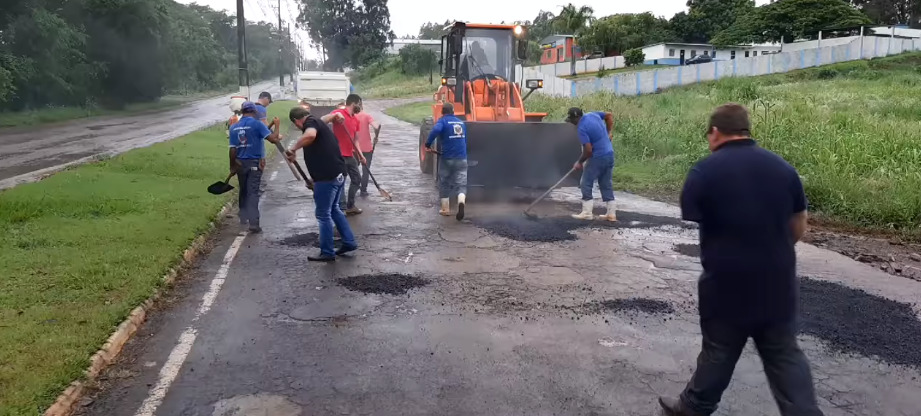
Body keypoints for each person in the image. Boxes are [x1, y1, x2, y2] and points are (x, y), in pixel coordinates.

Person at [658, 104, 822, 416]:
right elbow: (799, 223)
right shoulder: (783, 169)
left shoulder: (704, 172)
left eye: (709, 135)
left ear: (716, 133)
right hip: (777, 283)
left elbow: (693, 214)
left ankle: (692, 408)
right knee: (784, 355)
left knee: (718, 352)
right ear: (746, 131)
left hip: (726, 284)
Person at [285, 106, 358, 262]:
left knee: (323, 214)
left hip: (328, 177)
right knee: (334, 209)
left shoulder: (310, 125)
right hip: (337, 173)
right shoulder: (318, 121)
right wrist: (315, 178)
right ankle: (349, 242)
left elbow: (310, 135)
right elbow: (326, 119)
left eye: (297, 126)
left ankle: (327, 251)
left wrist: (293, 148)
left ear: (297, 121)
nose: (299, 129)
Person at [229, 101, 281, 233]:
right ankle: (253, 223)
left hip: (240, 163)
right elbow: (274, 139)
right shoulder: (257, 124)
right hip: (254, 163)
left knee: (244, 189)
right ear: (254, 111)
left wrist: (232, 166)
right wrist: (278, 126)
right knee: (252, 191)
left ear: (242, 111)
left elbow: (232, 150)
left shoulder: (234, 127)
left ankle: (243, 215)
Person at [566, 107, 616, 221]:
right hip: (609, 154)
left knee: (585, 183)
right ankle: (611, 214)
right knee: (605, 183)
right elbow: (609, 115)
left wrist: (579, 162)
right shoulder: (592, 115)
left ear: (576, 118)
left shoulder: (582, 128)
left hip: (598, 157)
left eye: (572, 120)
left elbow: (588, 151)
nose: (572, 123)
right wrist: (608, 132)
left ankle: (587, 213)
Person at [424, 102, 467, 220]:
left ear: (442, 112)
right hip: (462, 158)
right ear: (453, 111)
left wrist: (428, 144)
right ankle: (461, 202)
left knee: (444, 182)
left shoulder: (442, 121)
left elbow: (435, 131)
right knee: (461, 184)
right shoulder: (461, 123)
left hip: (447, 158)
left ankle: (445, 209)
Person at [329, 94, 367, 215]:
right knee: (341, 182)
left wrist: (361, 155)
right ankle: (341, 208)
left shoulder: (356, 120)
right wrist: (337, 116)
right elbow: (328, 117)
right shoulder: (339, 112)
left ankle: (350, 206)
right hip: (338, 155)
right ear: (354, 103)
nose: (361, 107)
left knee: (357, 179)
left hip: (350, 155)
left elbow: (355, 140)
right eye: (360, 104)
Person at [355, 108, 381, 197]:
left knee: (354, 170)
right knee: (366, 170)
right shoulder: (366, 116)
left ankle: (354, 187)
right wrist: (376, 136)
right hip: (367, 148)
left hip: (354, 148)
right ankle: (363, 190)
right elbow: (376, 126)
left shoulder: (352, 116)